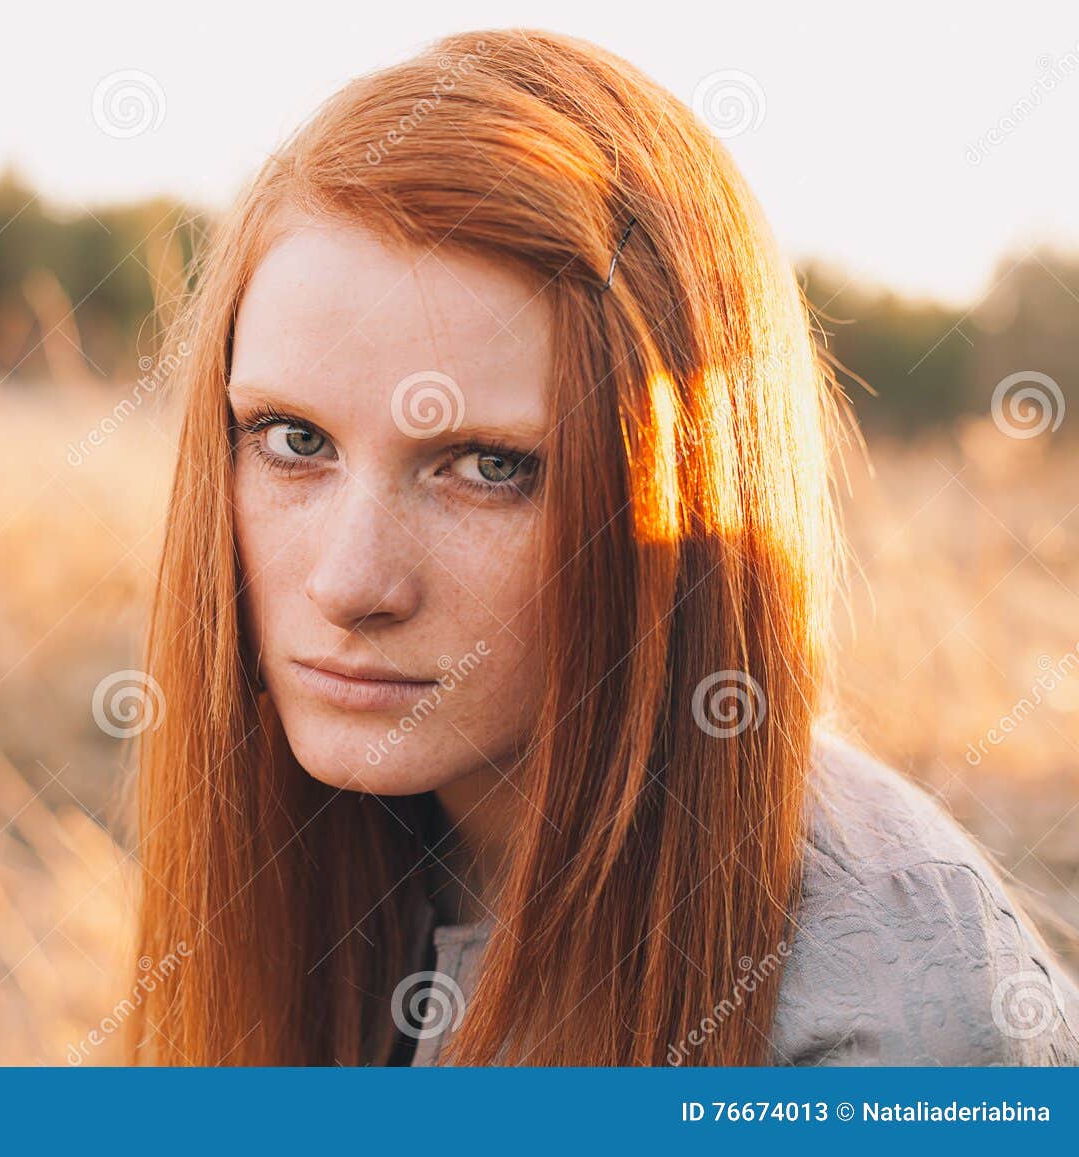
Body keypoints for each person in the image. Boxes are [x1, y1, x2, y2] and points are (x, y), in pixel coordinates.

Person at [125, 27, 1079, 1065]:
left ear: (680, 498)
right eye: (292, 440)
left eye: (489, 467)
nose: (351, 581)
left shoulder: (887, 1019)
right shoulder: (330, 853)